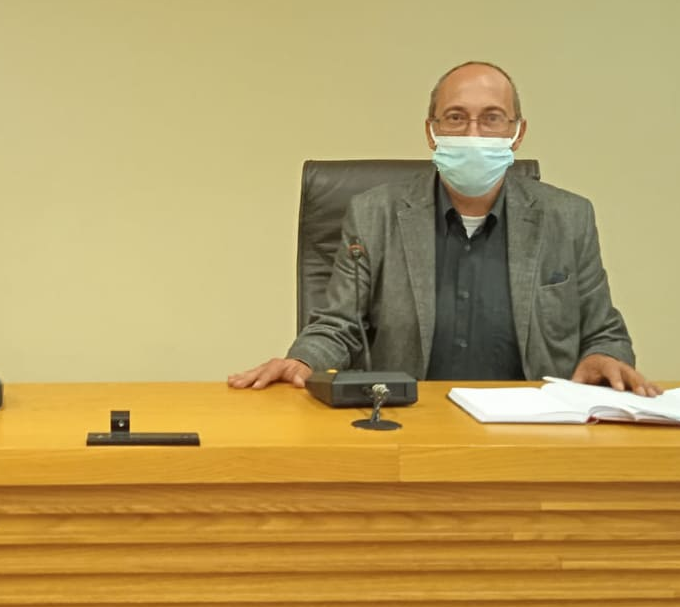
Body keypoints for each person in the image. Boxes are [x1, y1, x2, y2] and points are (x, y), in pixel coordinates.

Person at [229, 61, 658, 396]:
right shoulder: (374, 214)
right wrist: (302, 360)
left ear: (518, 133)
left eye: (492, 118)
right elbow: (338, 324)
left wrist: (605, 357)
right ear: (431, 131)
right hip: (410, 423)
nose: (473, 132)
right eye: (455, 117)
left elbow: (604, 332)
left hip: (533, 429)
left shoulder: (568, 217)